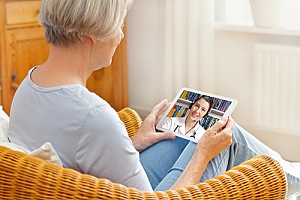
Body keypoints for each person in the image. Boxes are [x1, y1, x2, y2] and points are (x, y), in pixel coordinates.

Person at [7, 0, 299, 194]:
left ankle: (294, 173)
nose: (121, 36)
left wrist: (133, 143)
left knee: (197, 133)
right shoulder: (94, 116)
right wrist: (203, 156)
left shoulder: (29, 86)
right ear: (92, 35)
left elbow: (75, 155)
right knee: (224, 140)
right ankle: (294, 177)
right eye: (119, 25)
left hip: (106, 188)